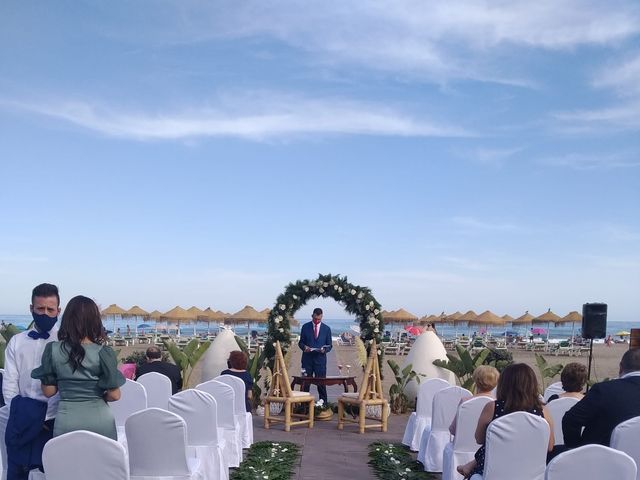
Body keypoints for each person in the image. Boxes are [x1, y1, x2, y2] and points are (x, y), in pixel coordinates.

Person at [31, 295, 125, 441]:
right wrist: (99, 397)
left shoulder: (53, 350)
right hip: (100, 420)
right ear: (95, 321)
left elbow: (49, 392)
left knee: (68, 463)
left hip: (67, 420)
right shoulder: (104, 352)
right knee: (102, 462)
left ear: (67, 319)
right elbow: (115, 395)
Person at [3, 283, 61, 479]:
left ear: (58, 311)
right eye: (40, 308)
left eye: (50, 309)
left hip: (53, 421)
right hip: (22, 419)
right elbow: (10, 384)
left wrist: (49, 416)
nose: (45, 313)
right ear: (31, 309)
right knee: (18, 472)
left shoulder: (64, 341)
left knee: (53, 472)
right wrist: (22, 413)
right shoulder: (17, 341)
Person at [457, 363, 554, 478]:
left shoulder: (493, 407)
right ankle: (471, 465)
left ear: (504, 384)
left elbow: (479, 439)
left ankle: (470, 465)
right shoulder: (542, 411)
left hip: (496, 471)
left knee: (493, 445)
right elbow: (549, 447)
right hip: (528, 470)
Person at [562, 348, 640, 447]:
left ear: (621, 367)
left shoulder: (604, 390)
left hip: (601, 458)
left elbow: (571, 419)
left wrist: (576, 450)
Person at [450, 365, 499, 435]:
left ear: (476, 380)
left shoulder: (465, 401)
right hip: (487, 444)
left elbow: (453, 430)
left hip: (463, 444)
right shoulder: (497, 404)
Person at [298, 307, 332, 403]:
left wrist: (324, 350)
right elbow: (301, 343)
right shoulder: (305, 327)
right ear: (312, 316)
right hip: (307, 360)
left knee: (321, 385)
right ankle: (304, 406)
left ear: (321, 317)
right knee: (305, 384)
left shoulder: (327, 329)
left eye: (319, 319)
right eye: (315, 319)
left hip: (320, 360)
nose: (317, 321)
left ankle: (323, 405)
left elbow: (329, 345)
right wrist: (305, 348)